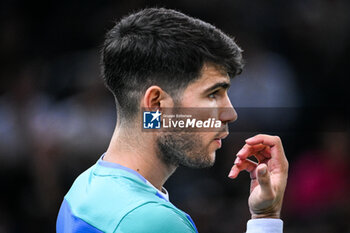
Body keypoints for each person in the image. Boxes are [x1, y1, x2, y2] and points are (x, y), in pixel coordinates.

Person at [56, 8, 288, 233]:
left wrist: (264, 216)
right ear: (156, 105)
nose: (230, 113)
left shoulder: (81, 190)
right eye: (212, 94)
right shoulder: (157, 222)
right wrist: (267, 220)